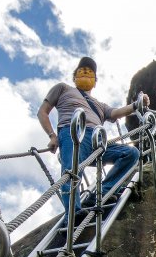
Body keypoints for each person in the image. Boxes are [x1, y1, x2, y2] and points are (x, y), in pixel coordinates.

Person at [36, 56, 148, 222]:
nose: (86, 74)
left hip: (97, 139)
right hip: (73, 132)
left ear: (95, 81)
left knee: (131, 153)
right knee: (71, 172)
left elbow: (115, 113)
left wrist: (137, 105)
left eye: (90, 73)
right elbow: (43, 111)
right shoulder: (62, 88)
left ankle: (101, 192)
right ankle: (72, 214)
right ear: (75, 77)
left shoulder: (99, 105)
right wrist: (52, 135)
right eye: (82, 71)